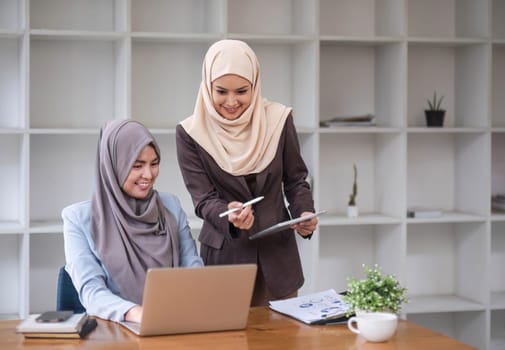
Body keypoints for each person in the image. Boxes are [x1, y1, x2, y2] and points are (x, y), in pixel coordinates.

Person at [176, 39, 318, 306]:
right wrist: (228, 215)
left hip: (278, 262)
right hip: (225, 260)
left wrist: (304, 213)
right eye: (221, 91)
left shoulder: (278, 120)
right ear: (207, 87)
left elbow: (296, 180)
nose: (231, 102)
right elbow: (203, 200)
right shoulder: (190, 133)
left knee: (282, 344)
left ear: (255, 85)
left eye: (242, 91)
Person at [63, 119, 203, 323]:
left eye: (154, 164)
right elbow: (91, 293)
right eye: (137, 166)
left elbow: (192, 268)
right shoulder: (78, 219)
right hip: (115, 329)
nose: (148, 175)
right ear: (113, 166)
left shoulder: (170, 206)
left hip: (173, 322)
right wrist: (138, 313)